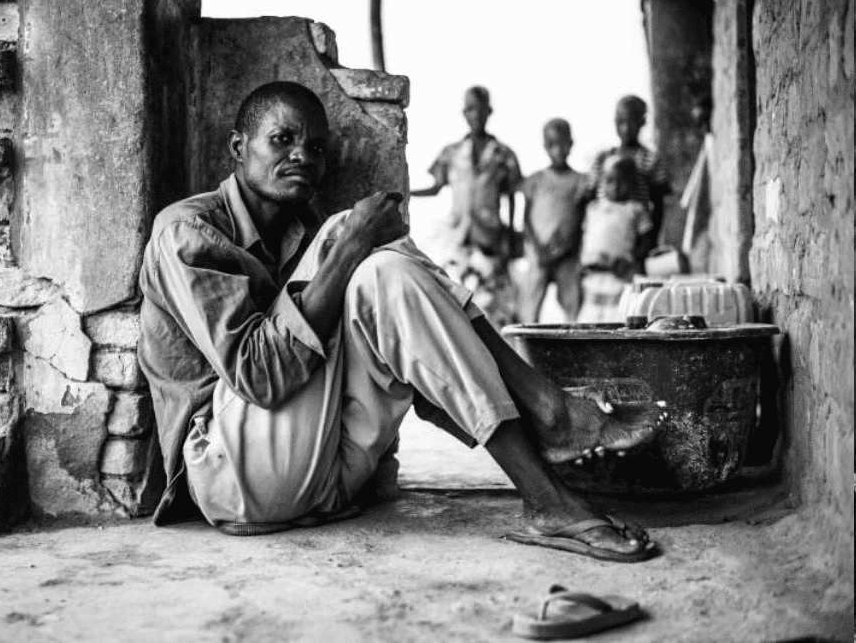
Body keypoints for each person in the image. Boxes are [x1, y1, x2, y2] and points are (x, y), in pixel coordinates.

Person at [138, 81, 668, 562]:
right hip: (236, 476)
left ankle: (545, 475)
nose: (302, 155)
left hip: (332, 475)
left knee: (383, 269)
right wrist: (347, 244)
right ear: (238, 149)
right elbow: (260, 377)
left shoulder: (301, 234)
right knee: (354, 234)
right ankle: (547, 416)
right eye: (281, 140)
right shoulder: (187, 233)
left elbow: (393, 321)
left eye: (316, 148)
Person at [410, 86, 523, 328]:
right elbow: (436, 187)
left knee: (493, 304)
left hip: (489, 238)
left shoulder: (503, 154)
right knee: (456, 303)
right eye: (471, 109)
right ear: (464, 113)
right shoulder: (451, 153)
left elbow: (511, 195)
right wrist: (404, 191)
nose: (476, 115)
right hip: (458, 238)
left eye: (481, 109)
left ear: (489, 111)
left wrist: (509, 236)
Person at [518, 118, 592, 323]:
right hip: (539, 253)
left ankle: (573, 350)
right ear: (545, 147)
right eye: (552, 145)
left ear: (570, 145)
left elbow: (581, 220)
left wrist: (567, 248)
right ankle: (525, 349)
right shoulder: (535, 181)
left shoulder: (580, 181)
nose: (558, 150)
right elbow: (526, 219)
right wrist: (538, 248)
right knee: (530, 307)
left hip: (567, 253)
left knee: (573, 305)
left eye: (563, 144)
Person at [589, 95, 671, 266]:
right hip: (605, 237)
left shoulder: (650, 159)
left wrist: (649, 244)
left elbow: (658, 205)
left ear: (642, 122)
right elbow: (592, 200)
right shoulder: (602, 159)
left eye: (632, 122)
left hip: (636, 235)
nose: (625, 128)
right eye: (620, 122)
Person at [578, 156, 653, 323]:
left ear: (632, 184)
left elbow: (647, 241)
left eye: (622, 182)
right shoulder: (593, 208)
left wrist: (633, 260)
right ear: (602, 182)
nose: (615, 187)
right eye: (610, 180)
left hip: (620, 273)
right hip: (593, 272)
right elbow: (586, 237)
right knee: (590, 316)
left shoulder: (635, 210)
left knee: (616, 316)